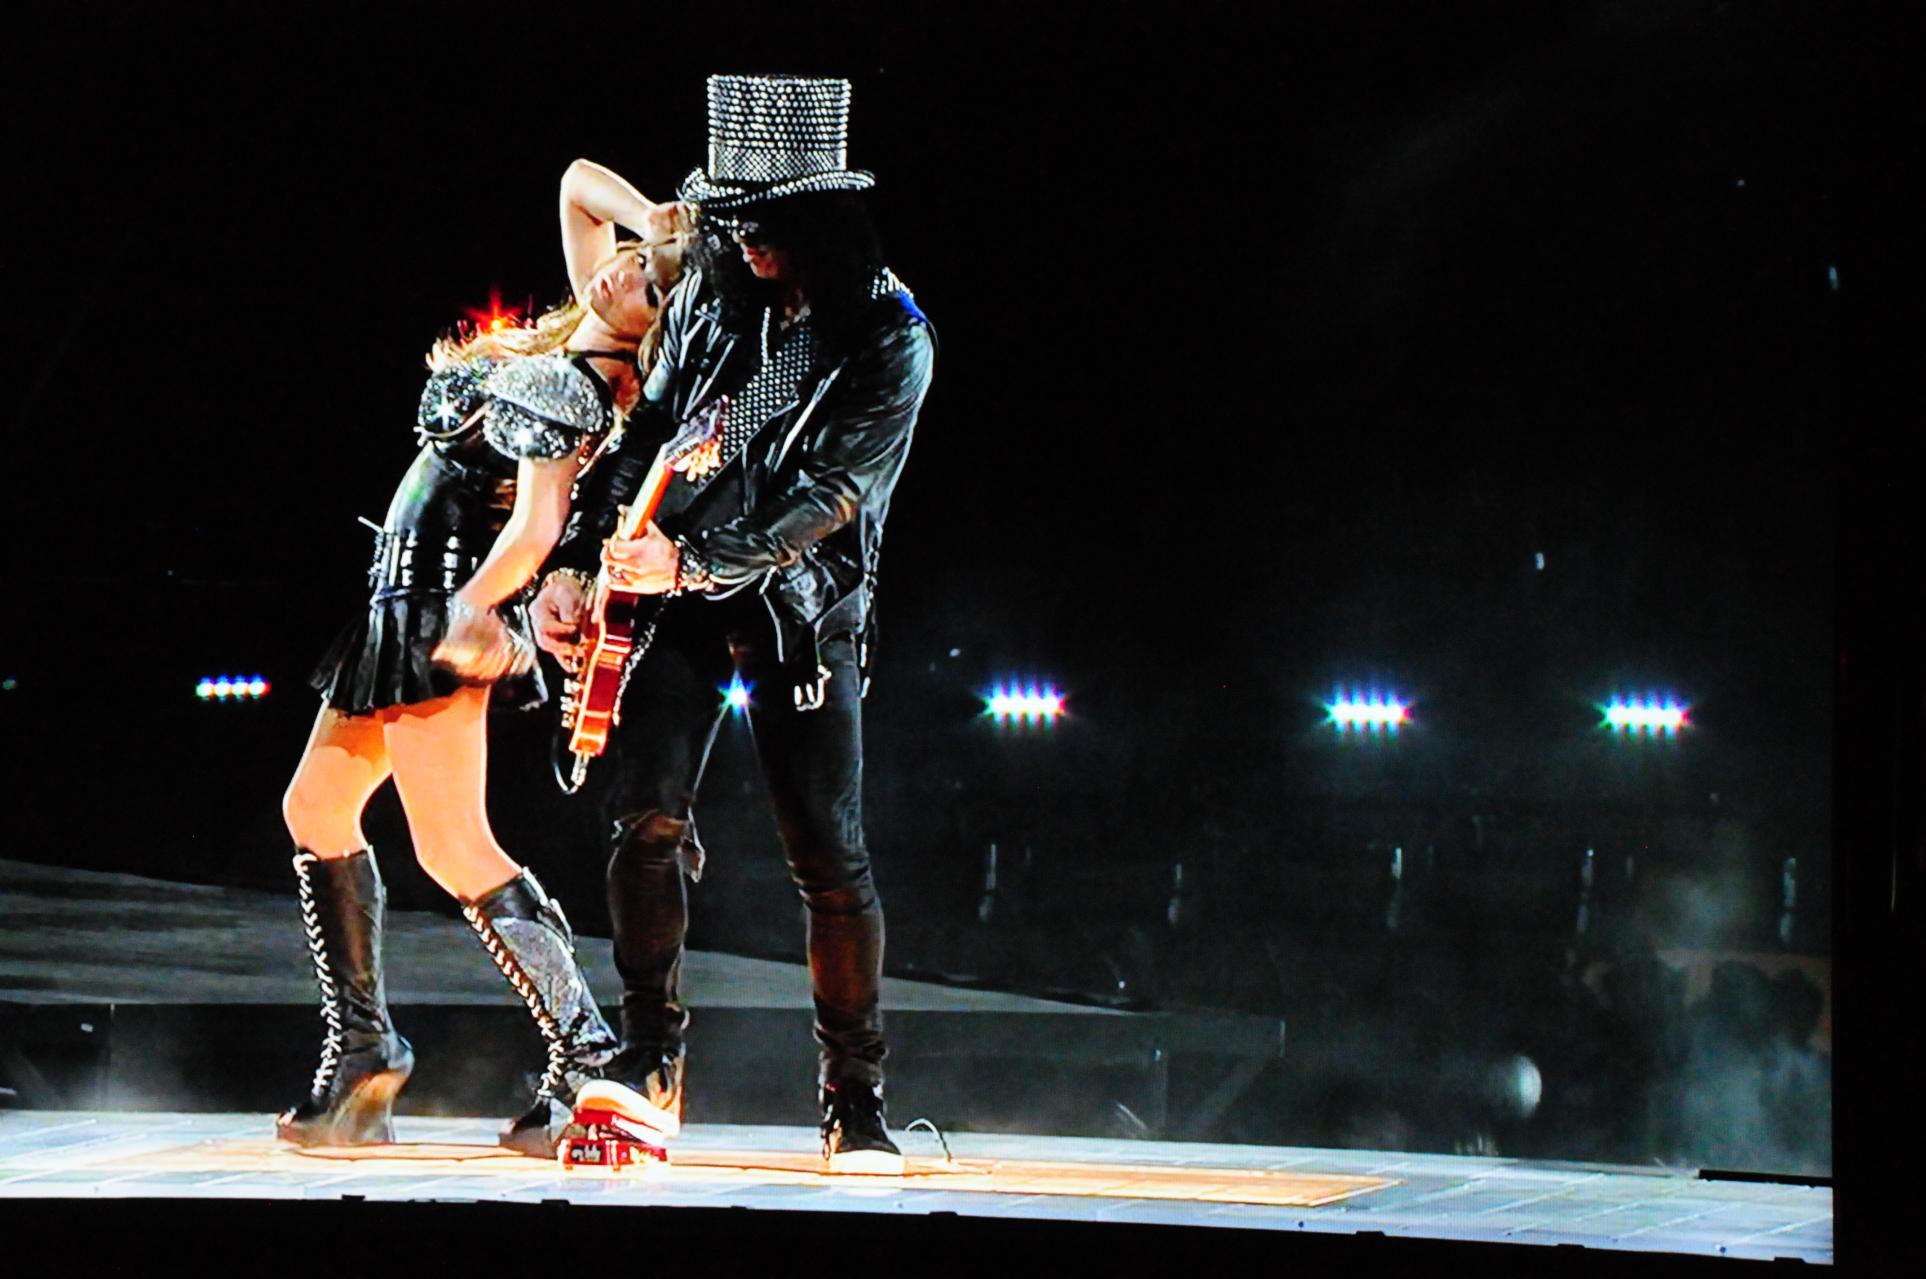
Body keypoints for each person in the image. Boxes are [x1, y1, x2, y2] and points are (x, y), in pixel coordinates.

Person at [532, 74, 935, 1173]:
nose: (745, 242)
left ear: (823, 222)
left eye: (768, 225)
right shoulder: (716, 285)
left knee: (827, 855)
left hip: (800, 605)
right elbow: (648, 429)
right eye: (734, 220)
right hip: (674, 589)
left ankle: (856, 1099)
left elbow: (832, 498)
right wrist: (575, 562)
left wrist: (699, 558)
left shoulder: (892, 337)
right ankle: (651, 1058)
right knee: (643, 816)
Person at [278, 158, 690, 1156]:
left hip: (440, 601)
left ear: (659, 323)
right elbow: (577, 184)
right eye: (626, 259)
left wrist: (473, 607)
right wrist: (659, 229)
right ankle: (365, 1049)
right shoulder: (582, 333)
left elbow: (539, 522)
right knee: (317, 809)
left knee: (454, 846)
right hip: (404, 591)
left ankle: (589, 1055)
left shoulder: (585, 382)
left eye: (643, 278)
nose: (617, 271)